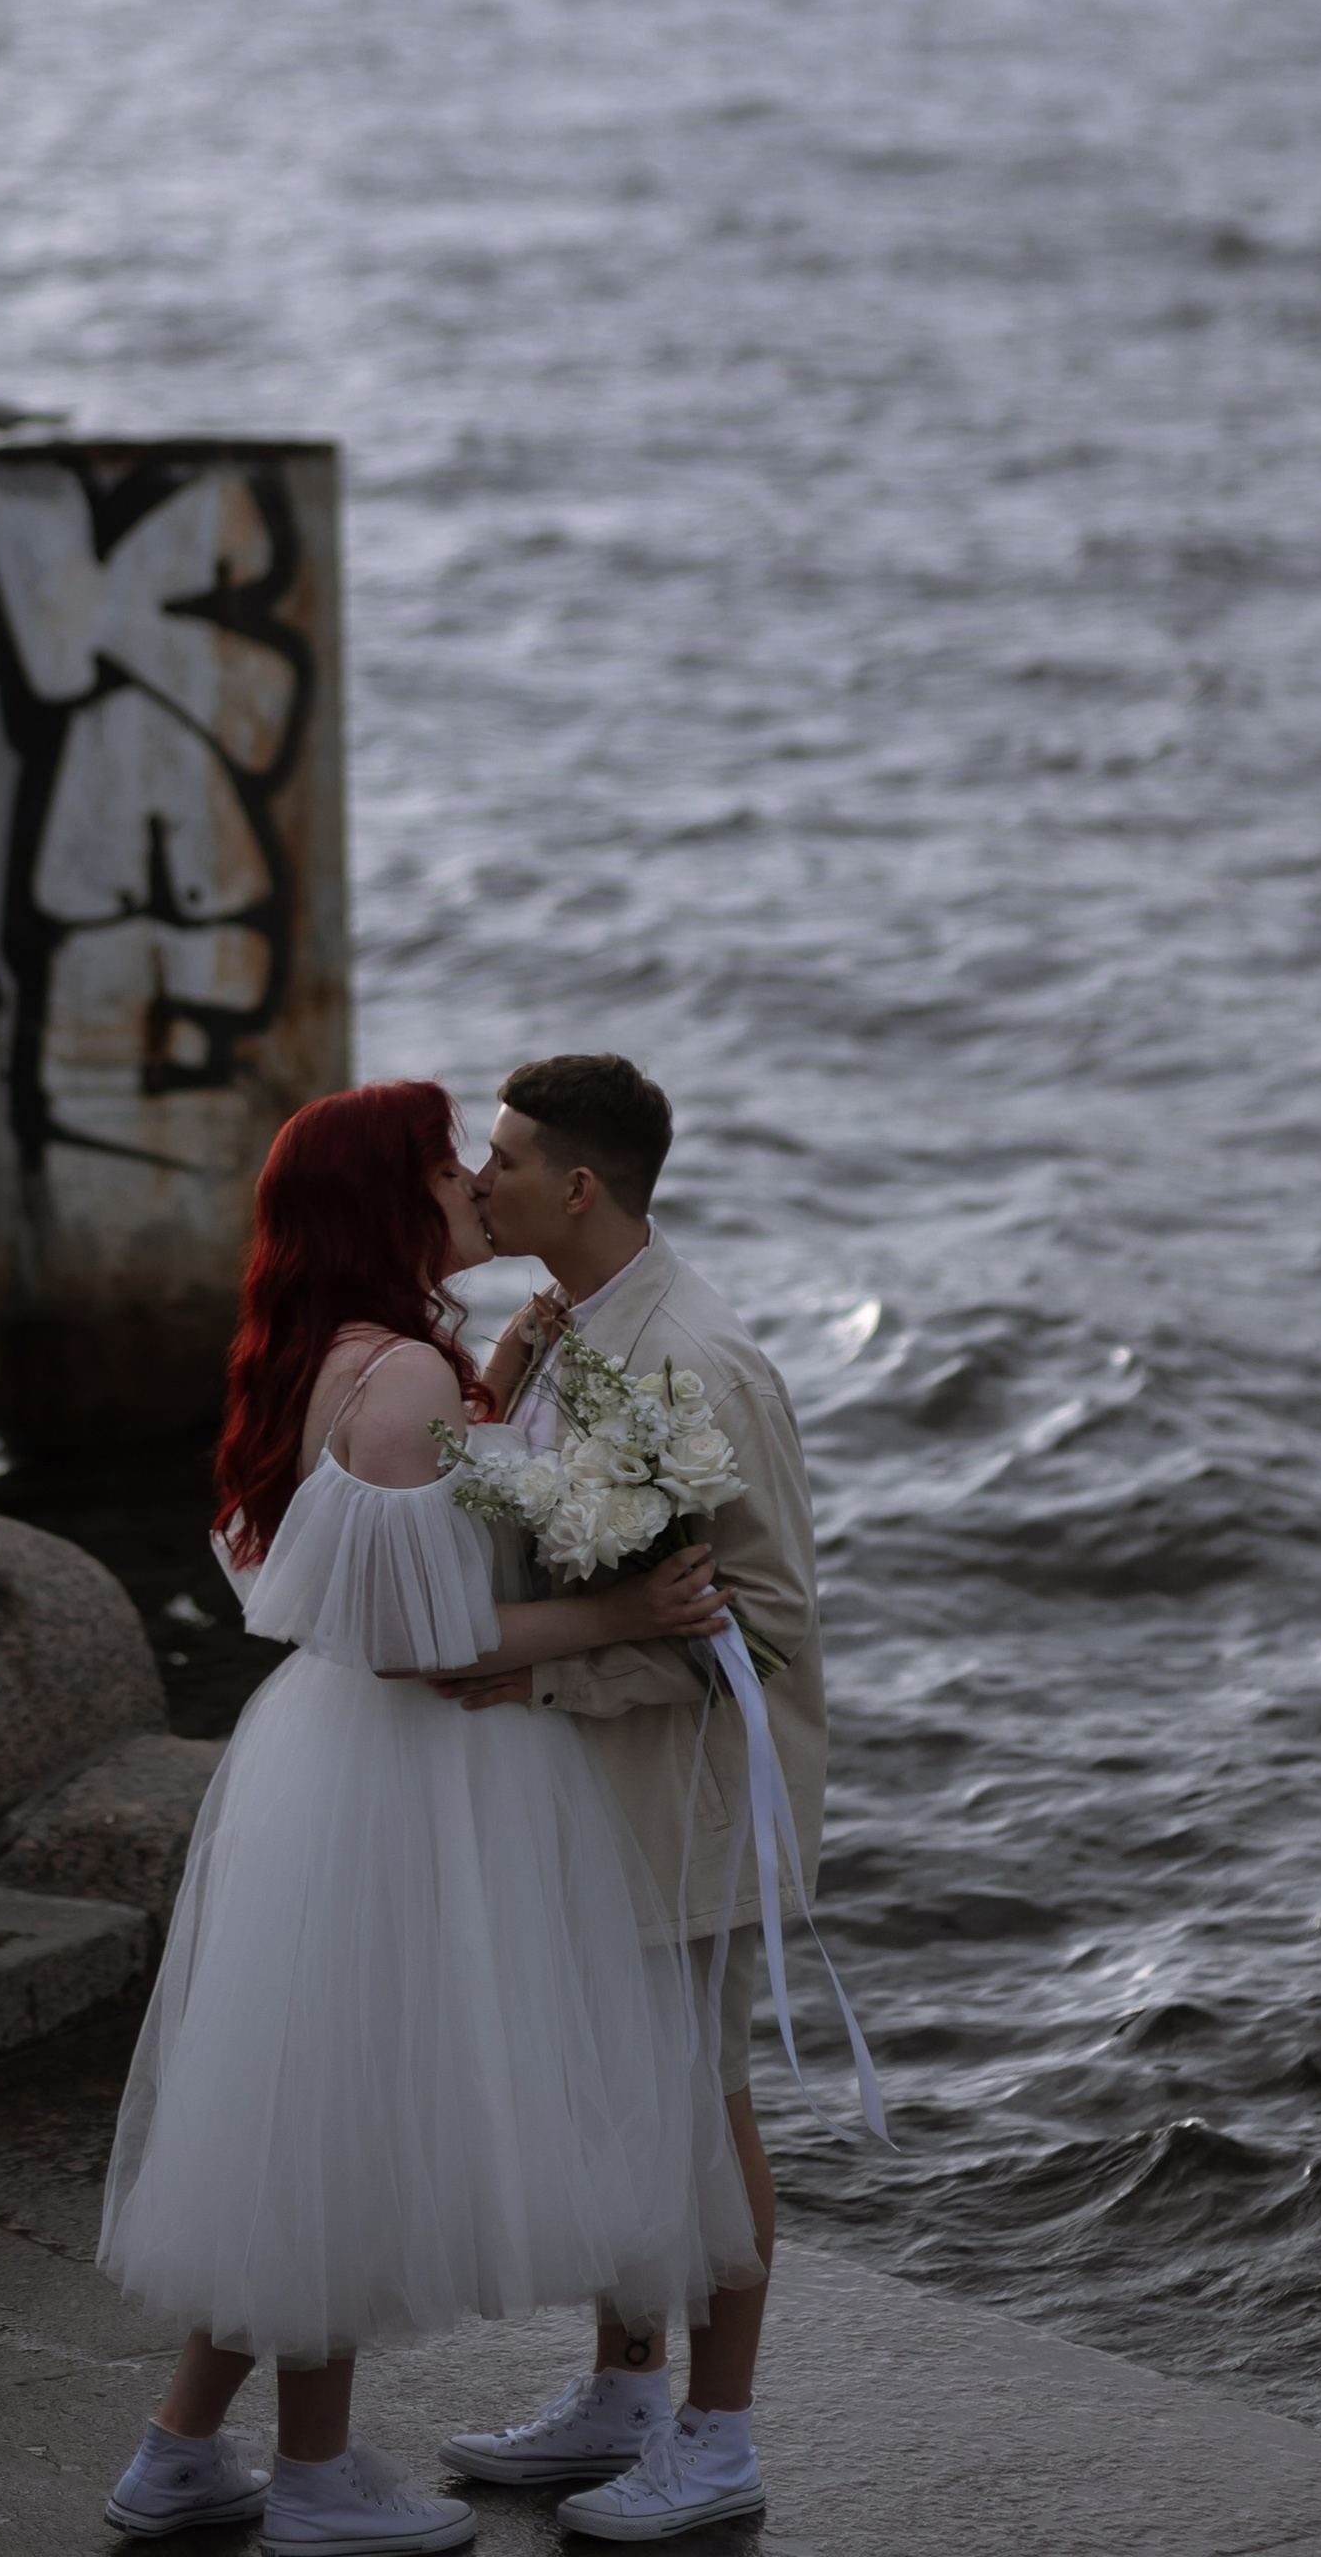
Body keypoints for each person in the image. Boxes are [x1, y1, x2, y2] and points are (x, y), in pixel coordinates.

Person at [97, 1081, 760, 2557]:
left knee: (302, 2117)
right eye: (445, 1162)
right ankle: (316, 2480)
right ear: (385, 1200)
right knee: (349, 2127)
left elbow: (371, 1549)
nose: (470, 1181)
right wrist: (622, 1614)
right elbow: (413, 1639)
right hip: (403, 1771)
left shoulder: (339, 1356)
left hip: (334, 1763)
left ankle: (179, 2452)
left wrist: (500, 1376)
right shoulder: (397, 1376)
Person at [429, 1055, 825, 2545]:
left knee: (703, 2107)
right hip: (592, 1793)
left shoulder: (700, 1364)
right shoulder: (569, 1327)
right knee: (619, 2098)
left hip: (690, 1799)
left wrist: (554, 1675)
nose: (482, 1178)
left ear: (579, 1186)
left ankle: (718, 2439)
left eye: (507, 1158)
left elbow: (767, 1627)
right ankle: (624, 2393)